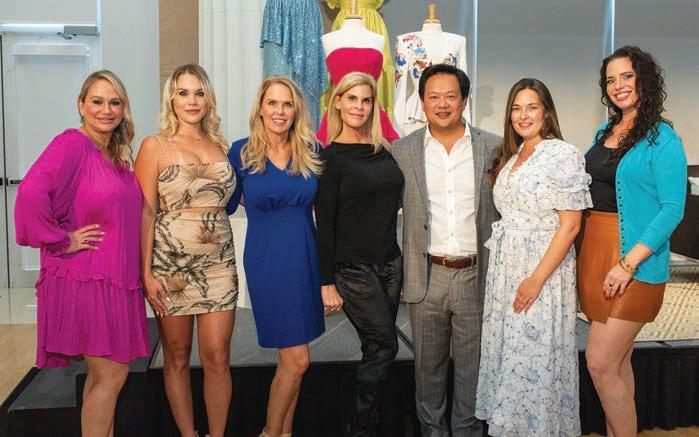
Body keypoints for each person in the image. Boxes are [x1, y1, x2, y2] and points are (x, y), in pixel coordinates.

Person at [14, 70, 150, 436]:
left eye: (114, 102)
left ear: (123, 108)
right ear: (80, 104)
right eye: (97, 101)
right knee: (112, 373)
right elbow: (29, 193)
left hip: (114, 279)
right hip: (86, 277)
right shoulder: (72, 143)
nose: (106, 110)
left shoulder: (112, 153)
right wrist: (61, 239)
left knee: (105, 376)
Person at [579, 46, 687, 437]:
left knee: (599, 362)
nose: (618, 85)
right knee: (618, 365)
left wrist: (628, 264)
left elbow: (672, 210)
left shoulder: (663, 139)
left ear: (644, 79)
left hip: (633, 262)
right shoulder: (604, 132)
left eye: (627, 76)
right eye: (611, 80)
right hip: (596, 255)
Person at [474, 78, 590, 436]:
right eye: (516, 108)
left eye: (532, 107)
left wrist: (536, 279)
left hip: (543, 272)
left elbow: (570, 226)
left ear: (546, 112)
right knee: (510, 359)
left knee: (533, 360)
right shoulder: (511, 156)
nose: (523, 115)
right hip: (506, 271)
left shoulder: (562, 154)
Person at [391, 63, 500, 437]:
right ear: (422, 102)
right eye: (433, 97)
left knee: (473, 370)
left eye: (450, 96)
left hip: (475, 275)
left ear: (464, 101)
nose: (442, 104)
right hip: (426, 277)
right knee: (428, 371)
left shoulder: (494, 148)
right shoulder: (402, 151)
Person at [135, 64, 238, 437]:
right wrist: (146, 274)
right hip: (170, 267)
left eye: (199, 93)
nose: (192, 101)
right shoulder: (154, 145)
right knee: (177, 357)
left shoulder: (222, 146)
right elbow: (145, 213)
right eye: (183, 92)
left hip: (219, 264)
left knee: (218, 356)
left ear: (208, 99)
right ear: (171, 99)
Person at [227, 76, 325, 437]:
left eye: (287, 104)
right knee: (298, 359)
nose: (280, 111)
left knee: (293, 361)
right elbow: (227, 201)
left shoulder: (312, 149)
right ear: (260, 108)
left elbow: (326, 206)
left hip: (305, 257)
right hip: (268, 260)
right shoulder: (240, 152)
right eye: (272, 103)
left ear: (296, 110)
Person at [315, 72, 404, 436]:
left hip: (390, 263)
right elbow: (325, 224)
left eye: (366, 100)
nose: (359, 107)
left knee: (374, 348)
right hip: (353, 268)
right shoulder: (330, 158)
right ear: (337, 102)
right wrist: (326, 282)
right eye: (351, 99)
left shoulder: (383, 149)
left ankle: (371, 422)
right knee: (385, 345)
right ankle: (359, 427)